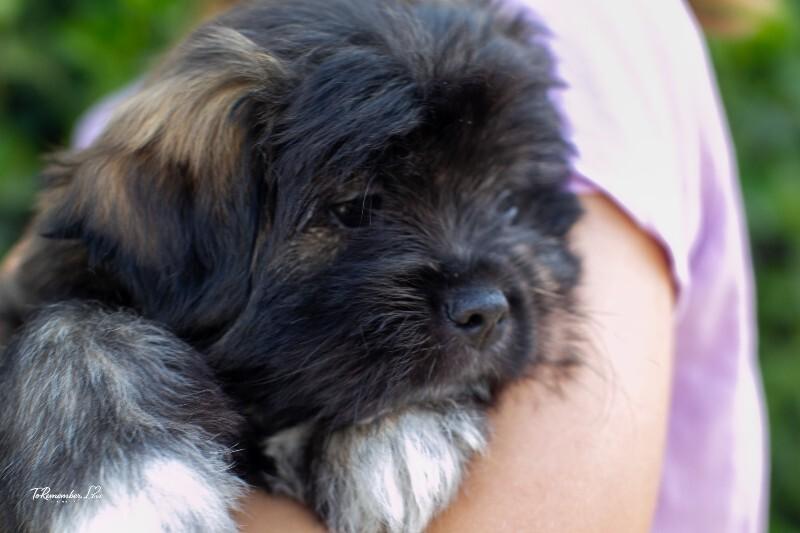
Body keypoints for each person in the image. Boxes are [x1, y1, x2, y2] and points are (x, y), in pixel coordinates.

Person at [72, 0, 769, 531]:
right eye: (356, 207)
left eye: (502, 203)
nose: (479, 295)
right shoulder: (147, 117)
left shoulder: (580, 22)